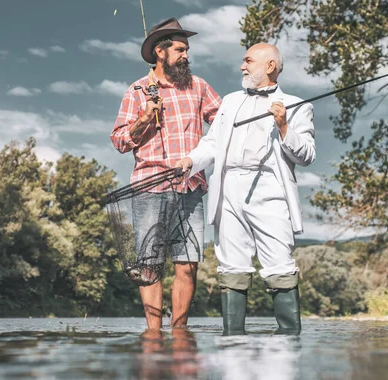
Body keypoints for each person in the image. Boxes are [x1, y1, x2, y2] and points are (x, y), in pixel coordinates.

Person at [175, 43, 316, 335]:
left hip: (270, 188)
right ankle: (232, 343)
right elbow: (212, 144)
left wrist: (284, 126)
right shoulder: (228, 101)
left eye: (248, 61)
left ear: (270, 66)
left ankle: (289, 342)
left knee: (279, 262)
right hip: (228, 187)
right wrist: (191, 160)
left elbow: (307, 155)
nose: (242, 66)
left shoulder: (298, 105)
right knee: (231, 265)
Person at [111, 17, 222, 330]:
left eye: (187, 50)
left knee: (188, 266)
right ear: (160, 52)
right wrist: (145, 116)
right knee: (150, 267)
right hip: (149, 189)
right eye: (180, 49)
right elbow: (119, 141)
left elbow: (227, 122)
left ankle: (180, 334)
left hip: (191, 188)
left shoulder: (199, 86)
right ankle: (154, 335)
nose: (186, 55)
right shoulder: (136, 91)